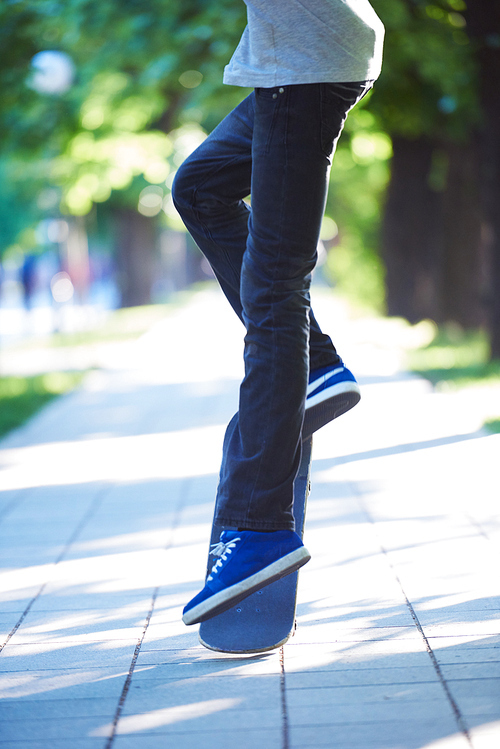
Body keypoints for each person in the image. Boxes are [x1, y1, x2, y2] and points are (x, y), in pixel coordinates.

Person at [173, 0, 385, 626]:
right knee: (200, 186)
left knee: (274, 290)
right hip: (296, 56)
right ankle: (316, 364)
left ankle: (258, 528)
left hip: (306, 60)